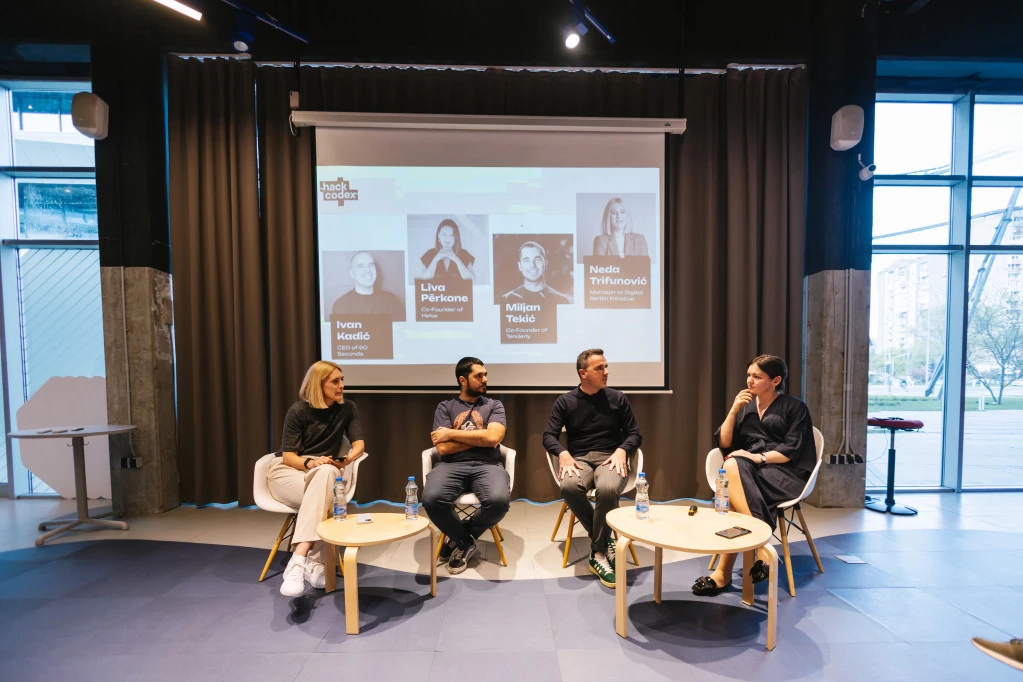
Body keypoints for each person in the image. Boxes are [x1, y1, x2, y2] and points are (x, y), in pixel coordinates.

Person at [692, 354, 816, 596]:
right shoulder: (747, 410)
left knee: (733, 484)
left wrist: (758, 457)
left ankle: (723, 573)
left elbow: (792, 450)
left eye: (757, 376)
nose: (749, 380)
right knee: (733, 467)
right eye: (748, 375)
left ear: (775, 380)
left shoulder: (795, 407)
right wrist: (733, 410)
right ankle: (762, 547)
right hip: (750, 472)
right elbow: (725, 443)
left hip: (784, 473)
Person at [543, 348, 642, 588]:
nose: (606, 372)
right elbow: (548, 436)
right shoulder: (565, 401)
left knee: (607, 490)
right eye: (599, 368)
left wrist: (622, 450)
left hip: (611, 458)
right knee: (569, 487)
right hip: (580, 459)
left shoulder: (618, 398)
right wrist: (563, 453)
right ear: (583, 373)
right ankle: (602, 539)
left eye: (606, 367)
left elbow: (634, 434)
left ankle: (597, 552)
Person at [266, 361, 366, 597]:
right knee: (325, 488)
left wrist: (348, 460)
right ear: (318, 384)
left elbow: (359, 444)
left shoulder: (347, 408)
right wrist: (310, 462)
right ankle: (313, 563)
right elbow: (289, 457)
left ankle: (299, 560)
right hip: (289, 470)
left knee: (327, 474)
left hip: (324, 470)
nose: (341, 386)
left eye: (342, 380)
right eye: (335, 381)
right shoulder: (298, 411)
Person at [423, 356, 510, 574]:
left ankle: (459, 536)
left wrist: (451, 433)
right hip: (450, 466)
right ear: (463, 380)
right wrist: (481, 437)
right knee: (431, 500)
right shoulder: (445, 407)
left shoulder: (494, 405)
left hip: (488, 465)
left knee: (499, 502)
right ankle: (465, 542)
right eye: (479, 376)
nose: (485, 379)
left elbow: (493, 438)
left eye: (485, 375)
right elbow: (443, 449)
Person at [331, 251, 405, 320]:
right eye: (360, 266)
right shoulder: (341, 304)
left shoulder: (391, 300)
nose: (368, 270)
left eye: (371, 265)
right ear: (352, 274)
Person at [502, 240, 572, 304]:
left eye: (537, 259)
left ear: (546, 264)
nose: (532, 265)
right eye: (526, 260)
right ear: (519, 266)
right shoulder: (507, 300)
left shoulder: (560, 300)